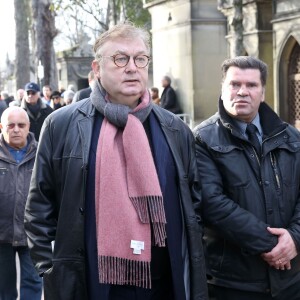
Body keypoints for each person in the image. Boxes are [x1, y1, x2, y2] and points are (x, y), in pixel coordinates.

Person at [24, 22, 208, 300]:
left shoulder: (175, 130)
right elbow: (39, 209)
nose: (132, 67)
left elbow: (194, 205)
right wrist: (51, 270)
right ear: (97, 69)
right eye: (120, 59)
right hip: (90, 284)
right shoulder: (61, 124)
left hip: (162, 284)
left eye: (140, 58)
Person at [193, 56, 300, 300]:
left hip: (290, 279)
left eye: (251, 85)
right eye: (235, 84)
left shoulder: (290, 137)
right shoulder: (202, 139)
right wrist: (273, 245)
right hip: (234, 282)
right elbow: (213, 203)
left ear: (262, 92)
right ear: (223, 89)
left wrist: (294, 238)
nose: (242, 92)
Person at [0, 107, 42, 300]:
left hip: (33, 235)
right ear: (2, 127)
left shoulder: (42, 154)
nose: (16, 129)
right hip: (1, 236)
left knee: (33, 285)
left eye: (21, 125)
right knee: (4, 289)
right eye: (11, 125)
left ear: (28, 127)